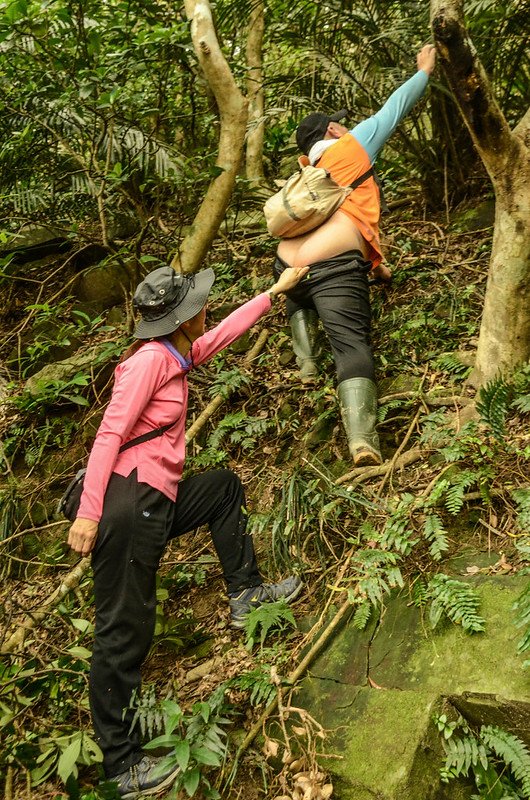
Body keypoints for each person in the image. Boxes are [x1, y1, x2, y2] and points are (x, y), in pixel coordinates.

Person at [67, 263, 308, 798]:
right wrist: (88, 513)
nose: (206, 311)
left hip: (156, 499)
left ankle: (246, 594)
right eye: (199, 305)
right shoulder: (148, 362)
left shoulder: (177, 354)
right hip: (128, 504)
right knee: (124, 633)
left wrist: (273, 291)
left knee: (222, 488)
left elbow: (221, 337)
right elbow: (109, 433)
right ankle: (122, 764)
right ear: (179, 316)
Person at [273, 45, 437, 467]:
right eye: (341, 124)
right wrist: (423, 71)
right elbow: (394, 108)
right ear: (333, 129)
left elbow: (336, 215)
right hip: (333, 271)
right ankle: (362, 442)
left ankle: (306, 363)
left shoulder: (304, 174)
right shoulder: (351, 144)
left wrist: (378, 267)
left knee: (298, 287)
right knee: (350, 345)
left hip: (287, 271)